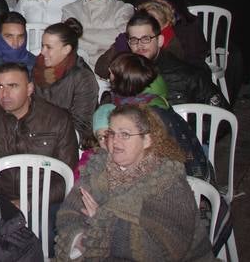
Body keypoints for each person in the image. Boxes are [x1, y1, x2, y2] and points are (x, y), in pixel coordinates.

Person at [55, 104, 212, 260]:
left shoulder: (167, 182)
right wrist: (82, 240)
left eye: (125, 134)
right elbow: (68, 212)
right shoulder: (98, 168)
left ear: (147, 140)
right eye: (112, 133)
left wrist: (101, 222)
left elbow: (159, 249)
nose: (115, 141)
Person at [0, 63, 78, 203]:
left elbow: (67, 176)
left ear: (29, 88)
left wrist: (29, 202)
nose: (4, 94)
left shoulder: (57, 120)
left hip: (45, 202)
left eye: (13, 86)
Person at [32, 19, 100, 145]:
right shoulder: (38, 69)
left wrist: (43, 134)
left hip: (70, 141)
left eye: (49, 47)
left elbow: (81, 125)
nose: (42, 52)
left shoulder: (83, 78)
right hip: (38, 134)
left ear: (66, 49)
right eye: (42, 45)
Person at [60, 0, 133, 68]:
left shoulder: (122, 9)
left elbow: (122, 37)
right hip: (77, 67)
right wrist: (101, 43)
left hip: (110, 66)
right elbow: (67, 38)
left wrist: (82, 36)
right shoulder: (70, 9)